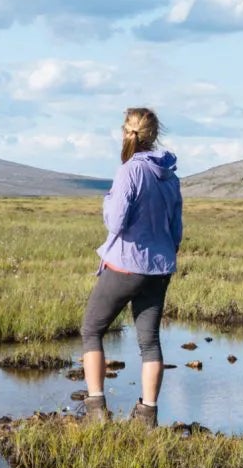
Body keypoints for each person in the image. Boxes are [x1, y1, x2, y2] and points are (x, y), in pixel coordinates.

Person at [78, 107, 182, 425]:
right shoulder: (170, 175)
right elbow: (176, 229)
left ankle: (96, 411)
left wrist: (108, 200)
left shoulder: (129, 171)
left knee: (91, 329)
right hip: (160, 267)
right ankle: (147, 417)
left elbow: (116, 222)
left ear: (127, 133)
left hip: (127, 265)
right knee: (149, 341)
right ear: (153, 135)